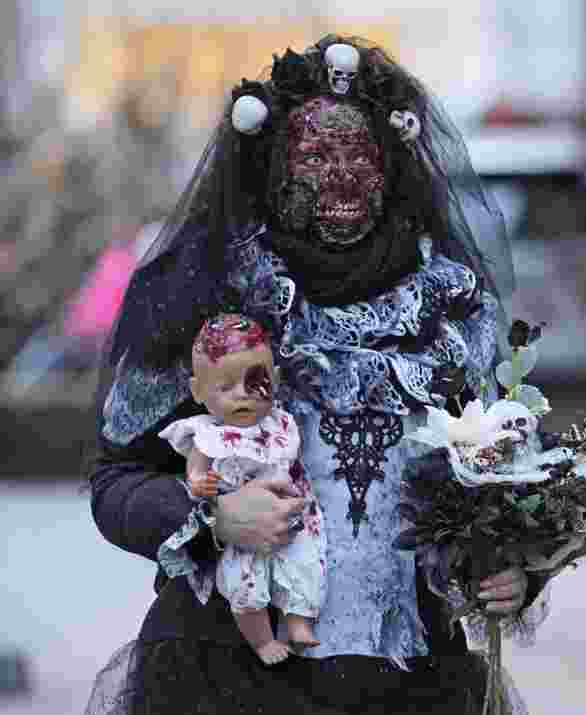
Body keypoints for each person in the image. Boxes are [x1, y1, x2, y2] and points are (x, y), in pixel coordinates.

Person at [84, 34, 540, 715]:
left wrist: (510, 567)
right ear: (273, 169)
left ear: (393, 169)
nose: (342, 176)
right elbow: (116, 478)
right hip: (228, 684)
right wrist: (212, 516)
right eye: (317, 155)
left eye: (361, 155)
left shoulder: (451, 311)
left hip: (412, 688)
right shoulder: (207, 298)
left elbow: (493, 486)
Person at [159, 312, 324, 665]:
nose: (242, 397)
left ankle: (298, 622)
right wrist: (199, 482)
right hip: (241, 520)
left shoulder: (280, 421)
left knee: (305, 563)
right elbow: (196, 467)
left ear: (275, 380)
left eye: (255, 383)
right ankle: (262, 640)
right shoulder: (209, 434)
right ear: (198, 391)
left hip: (291, 514)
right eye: (225, 387)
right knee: (245, 584)